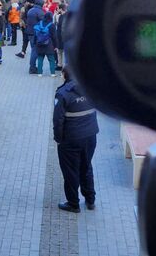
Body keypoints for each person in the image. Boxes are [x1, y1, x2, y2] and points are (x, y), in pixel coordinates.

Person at [53, 67, 99, 213]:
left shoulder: (62, 94)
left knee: (71, 171)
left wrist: (59, 139)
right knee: (86, 166)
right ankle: (90, 200)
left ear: (65, 75)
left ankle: (73, 203)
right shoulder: (90, 87)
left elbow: (58, 120)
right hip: (90, 136)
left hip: (71, 139)